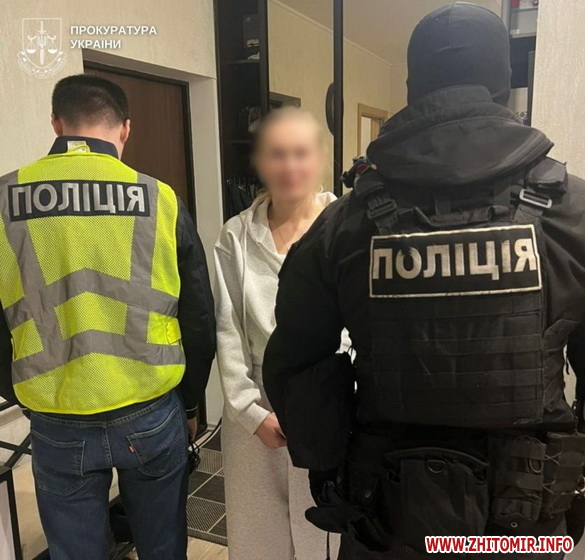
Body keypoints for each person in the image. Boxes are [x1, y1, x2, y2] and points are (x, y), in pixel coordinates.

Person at [263, 4, 585, 559]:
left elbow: (293, 368)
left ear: (412, 91)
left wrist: (330, 469)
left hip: (385, 519)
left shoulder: (344, 223)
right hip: (526, 519)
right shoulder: (572, 210)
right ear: (504, 86)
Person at [0, 74, 216, 560]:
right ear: (125, 129)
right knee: (163, 546)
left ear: (56, 123)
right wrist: (189, 404)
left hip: (56, 415)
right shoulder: (160, 198)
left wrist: (22, 394)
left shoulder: (3, 199)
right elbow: (198, 315)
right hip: (150, 409)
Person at [214, 107, 341, 559]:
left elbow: (360, 324)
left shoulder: (344, 226)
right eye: (277, 154)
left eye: (300, 153)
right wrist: (250, 412)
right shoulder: (235, 236)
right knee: (258, 540)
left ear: (319, 158)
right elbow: (226, 327)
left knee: (324, 535)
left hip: (329, 402)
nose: (289, 166)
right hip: (255, 404)